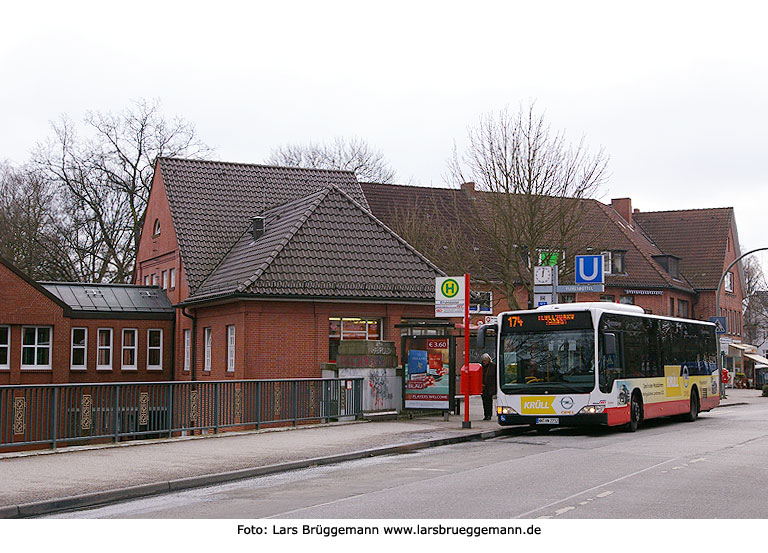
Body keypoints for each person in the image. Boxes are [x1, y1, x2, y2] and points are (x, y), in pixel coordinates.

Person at [480, 353, 497, 420]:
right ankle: (486, 414)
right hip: (483, 387)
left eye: (486, 360)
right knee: (484, 401)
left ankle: (489, 415)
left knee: (489, 401)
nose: (484, 362)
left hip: (490, 386)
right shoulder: (481, 366)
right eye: (483, 360)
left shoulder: (493, 366)